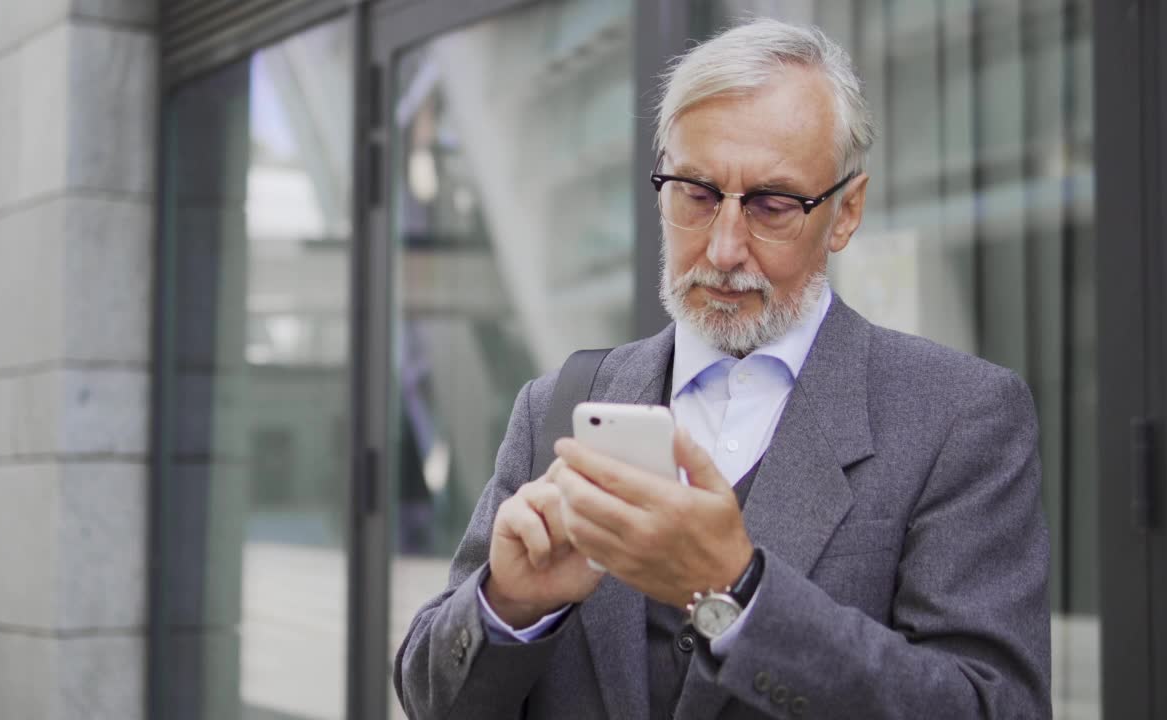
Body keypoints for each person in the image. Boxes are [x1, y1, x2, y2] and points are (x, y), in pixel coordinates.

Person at [394, 17, 1049, 720]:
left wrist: (739, 595)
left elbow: (994, 709)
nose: (726, 247)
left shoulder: (958, 416)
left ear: (846, 212)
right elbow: (433, 697)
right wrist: (510, 605)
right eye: (697, 195)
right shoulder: (557, 406)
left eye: (772, 205)